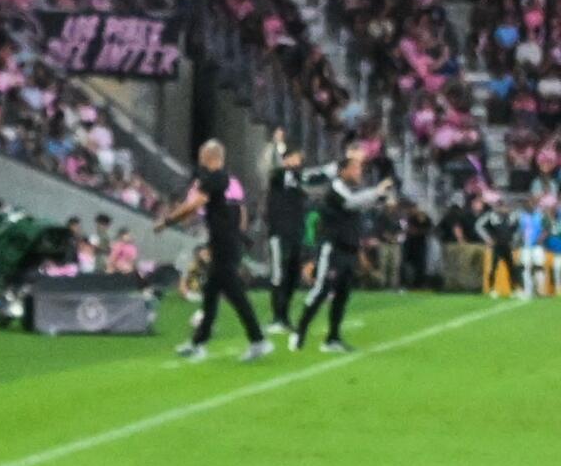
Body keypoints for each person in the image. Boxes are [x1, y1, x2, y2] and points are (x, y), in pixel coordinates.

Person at [156, 140, 271, 362]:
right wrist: (239, 234)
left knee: (235, 294)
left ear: (208, 156)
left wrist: (167, 221)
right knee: (211, 293)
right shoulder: (229, 180)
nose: (200, 160)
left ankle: (258, 340)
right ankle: (198, 343)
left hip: (224, 244)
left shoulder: (214, 178)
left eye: (201, 155)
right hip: (226, 242)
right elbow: (240, 210)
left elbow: (194, 204)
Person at [292, 152, 395, 351]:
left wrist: (382, 195)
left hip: (348, 249)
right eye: (354, 168)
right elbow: (351, 202)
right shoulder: (336, 188)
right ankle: (300, 331)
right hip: (333, 249)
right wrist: (376, 192)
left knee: (342, 294)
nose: (359, 172)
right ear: (343, 170)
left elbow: (362, 202)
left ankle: (333, 338)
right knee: (321, 291)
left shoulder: (351, 190)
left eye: (359, 168)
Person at [263, 140, 321, 331]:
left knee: (292, 275)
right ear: (287, 158)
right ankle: (277, 317)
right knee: (279, 274)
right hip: (279, 234)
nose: (299, 161)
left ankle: (285, 316)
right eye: (296, 158)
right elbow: (277, 169)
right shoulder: (278, 176)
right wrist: (278, 144)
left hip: (295, 233)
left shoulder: (298, 179)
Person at [476, 198, 518, 298]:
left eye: (506, 207)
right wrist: (487, 239)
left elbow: (517, 229)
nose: (505, 209)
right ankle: (491, 289)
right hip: (496, 245)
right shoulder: (491, 216)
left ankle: (514, 289)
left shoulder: (512, 216)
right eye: (502, 206)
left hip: (507, 245)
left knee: (511, 267)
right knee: (493, 267)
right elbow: (478, 225)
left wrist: (514, 241)